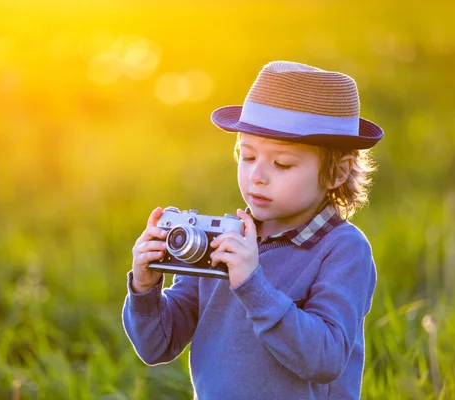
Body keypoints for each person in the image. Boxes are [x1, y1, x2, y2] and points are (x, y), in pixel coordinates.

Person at [122, 61, 384, 399]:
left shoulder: (343, 249)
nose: (257, 175)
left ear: (337, 173)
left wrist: (252, 285)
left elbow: (326, 358)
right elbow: (157, 346)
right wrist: (145, 289)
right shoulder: (221, 241)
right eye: (247, 157)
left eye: (282, 164)